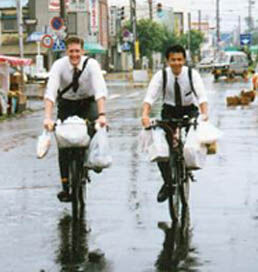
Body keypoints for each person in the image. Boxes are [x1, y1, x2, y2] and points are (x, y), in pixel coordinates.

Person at [43, 36, 108, 202]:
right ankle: (65, 187)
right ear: (66, 51)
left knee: (97, 128)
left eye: (77, 51)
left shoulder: (92, 65)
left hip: (87, 103)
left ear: (83, 51)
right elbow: (50, 93)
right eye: (71, 51)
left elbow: (99, 91)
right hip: (66, 104)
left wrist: (102, 115)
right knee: (63, 143)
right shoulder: (59, 65)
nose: (74, 55)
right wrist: (47, 118)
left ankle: (92, 160)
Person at [141, 44, 208, 203]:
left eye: (179, 59)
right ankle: (168, 183)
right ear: (167, 61)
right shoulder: (161, 76)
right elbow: (150, 97)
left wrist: (205, 114)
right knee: (161, 149)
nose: (176, 63)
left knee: (192, 142)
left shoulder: (192, 74)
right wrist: (145, 115)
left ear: (184, 60)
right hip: (169, 111)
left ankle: (188, 165)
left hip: (189, 110)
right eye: (173, 60)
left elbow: (202, 97)